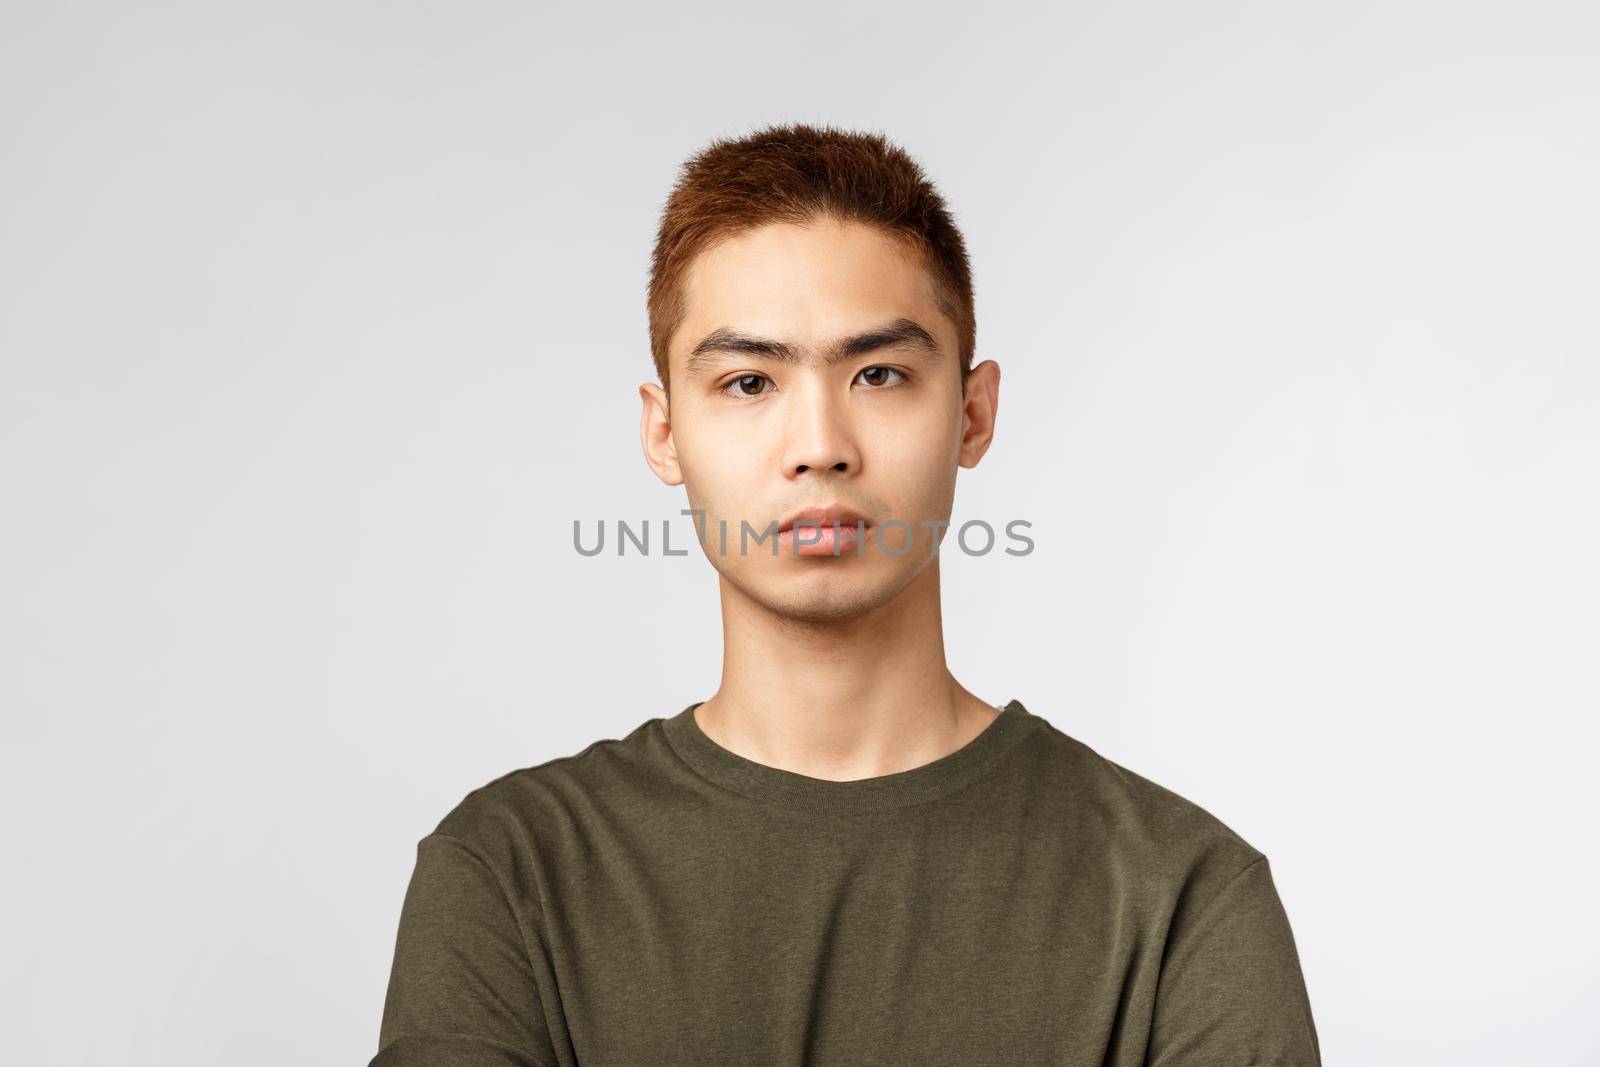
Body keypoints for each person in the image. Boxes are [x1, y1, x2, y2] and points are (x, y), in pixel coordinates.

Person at [371, 122, 1321, 1066]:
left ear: (973, 412)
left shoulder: (1180, 897)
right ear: (664, 434)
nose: (819, 443)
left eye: (878, 374)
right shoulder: (511, 870)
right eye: (749, 381)